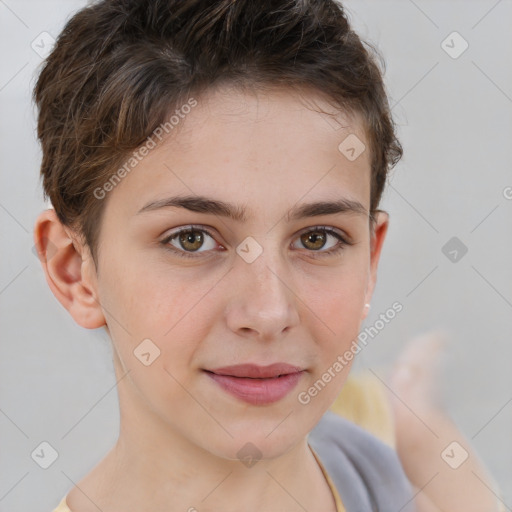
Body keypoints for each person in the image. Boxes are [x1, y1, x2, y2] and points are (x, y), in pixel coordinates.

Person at [31, 1, 501, 511]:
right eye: (192, 239)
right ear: (74, 271)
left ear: (370, 263)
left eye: (318, 238)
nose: (269, 313)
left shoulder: (401, 455)